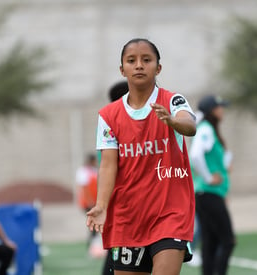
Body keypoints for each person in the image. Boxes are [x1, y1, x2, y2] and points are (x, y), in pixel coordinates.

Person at [86, 38, 196, 275]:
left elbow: (190, 124)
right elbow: (107, 166)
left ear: (158, 68)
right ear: (122, 69)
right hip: (128, 217)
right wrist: (102, 205)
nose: (139, 65)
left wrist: (174, 121)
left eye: (146, 60)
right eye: (131, 60)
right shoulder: (108, 115)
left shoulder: (172, 101)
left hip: (170, 214)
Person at [189, 95, 236, 275]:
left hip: (208, 194)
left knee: (210, 242)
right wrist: (208, 178)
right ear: (211, 111)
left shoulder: (208, 129)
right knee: (227, 241)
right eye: (219, 107)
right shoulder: (206, 129)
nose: (222, 110)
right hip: (209, 192)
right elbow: (195, 155)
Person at [100, 80, 129, 275]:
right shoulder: (111, 131)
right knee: (117, 253)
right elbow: (108, 169)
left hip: (124, 202)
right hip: (122, 204)